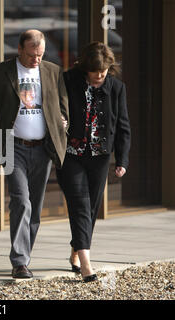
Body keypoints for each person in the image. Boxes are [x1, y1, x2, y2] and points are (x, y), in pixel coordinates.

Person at [0, 30, 69, 279]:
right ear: (19, 49)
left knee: (36, 206)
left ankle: (24, 257)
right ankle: (19, 261)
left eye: (40, 55)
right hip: (13, 147)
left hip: (43, 148)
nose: (36, 60)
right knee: (21, 201)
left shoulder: (53, 72)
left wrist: (64, 121)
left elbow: (63, 105)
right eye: (32, 54)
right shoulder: (0, 73)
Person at [56, 41, 131, 282]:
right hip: (71, 155)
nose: (99, 75)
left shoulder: (117, 88)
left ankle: (76, 249)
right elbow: (56, 106)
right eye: (95, 71)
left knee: (90, 208)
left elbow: (123, 126)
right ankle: (87, 264)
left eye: (104, 71)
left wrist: (122, 159)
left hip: (100, 156)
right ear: (85, 68)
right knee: (79, 203)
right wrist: (61, 119)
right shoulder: (69, 80)